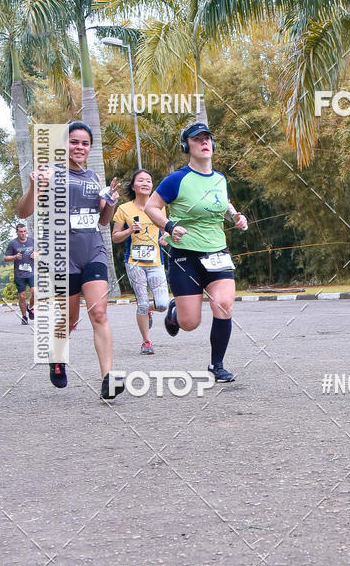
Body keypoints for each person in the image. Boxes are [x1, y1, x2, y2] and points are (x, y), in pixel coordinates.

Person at [17, 120, 124, 400]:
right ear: (64, 145)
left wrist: (110, 202)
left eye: (84, 143)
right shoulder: (49, 173)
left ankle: (108, 379)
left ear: (90, 147)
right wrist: (31, 188)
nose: (79, 147)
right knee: (70, 317)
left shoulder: (94, 178)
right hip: (63, 256)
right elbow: (22, 212)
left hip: (93, 251)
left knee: (99, 313)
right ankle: (56, 355)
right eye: (74, 141)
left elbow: (102, 219)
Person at [145, 122, 248, 382]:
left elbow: (222, 202)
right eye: (197, 139)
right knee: (190, 323)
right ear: (186, 146)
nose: (204, 142)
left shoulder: (220, 178)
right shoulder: (177, 179)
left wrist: (236, 215)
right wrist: (169, 225)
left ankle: (217, 365)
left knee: (223, 304)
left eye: (207, 138)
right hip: (185, 256)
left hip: (217, 252)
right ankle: (175, 312)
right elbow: (151, 207)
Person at [112, 169, 169, 355]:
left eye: (149, 181)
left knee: (162, 304)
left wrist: (165, 237)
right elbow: (115, 237)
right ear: (133, 186)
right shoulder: (124, 209)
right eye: (141, 180)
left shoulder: (160, 207)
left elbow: (165, 230)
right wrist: (129, 231)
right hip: (134, 262)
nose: (145, 183)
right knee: (142, 303)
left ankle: (149, 310)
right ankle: (146, 342)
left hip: (156, 262)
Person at [4, 222, 36, 324]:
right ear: (17, 232)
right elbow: (5, 258)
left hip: (31, 272)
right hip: (19, 274)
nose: (23, 233)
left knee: (35, 292)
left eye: (24, 231)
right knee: (22, 296)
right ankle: (24, 317)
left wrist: (36, 253)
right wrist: (14, 257)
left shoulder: (32, 241)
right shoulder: (13, 243)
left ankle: (30, 307)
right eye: (21, 232)